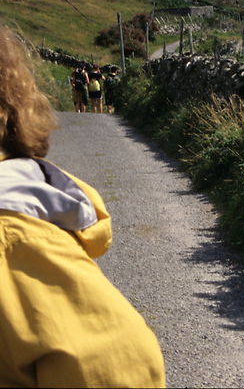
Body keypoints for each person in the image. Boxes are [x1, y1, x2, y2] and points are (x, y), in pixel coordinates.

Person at [0, 26, 165, 387]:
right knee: (85, 105)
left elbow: (116, 363)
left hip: (90, 95)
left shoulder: (11, 237)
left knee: (88, 106)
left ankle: (96, 111)